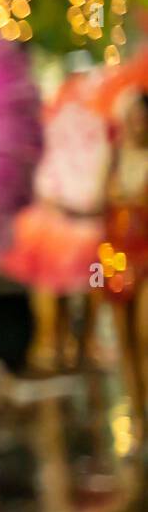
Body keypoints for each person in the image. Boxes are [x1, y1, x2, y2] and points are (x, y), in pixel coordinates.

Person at [100, 89, 148, 443]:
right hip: (117, 257)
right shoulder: (114, 158)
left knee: (145, 335)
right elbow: (103, 203)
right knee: (125, 341)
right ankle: (137, 411)